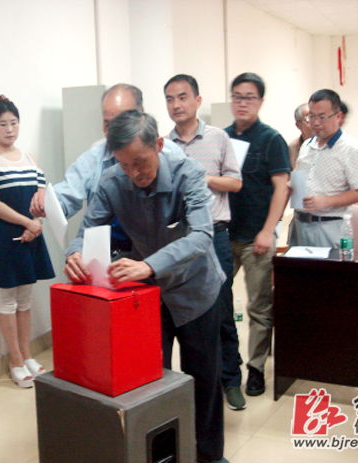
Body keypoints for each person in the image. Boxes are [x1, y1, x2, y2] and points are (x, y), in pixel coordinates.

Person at [64, 110, 226, 463]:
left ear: (159, 144)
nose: (134, 173)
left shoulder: (188, 174)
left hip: (196, 290)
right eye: (124, 165)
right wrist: (74, 253)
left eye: (140, 161)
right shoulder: (111, 183)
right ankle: (161, 455)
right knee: (152, 381)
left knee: (204, 377)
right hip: (149, 297)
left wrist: (148, 265)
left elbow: (202, 235)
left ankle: (210, 455)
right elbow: (87, 230)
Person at [164, 74, 245, 411]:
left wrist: (201, 177)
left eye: (183, 97)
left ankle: (231, 380)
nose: (176, 105)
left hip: (214, 237)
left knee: (221, 312)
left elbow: (235, 183)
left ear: (197, 100)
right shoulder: (162, 144)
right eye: (170, 99)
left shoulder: (218, 137)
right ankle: (184, 387)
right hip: (179, 241)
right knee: (184, 319)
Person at [29, 83, 185, 257]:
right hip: (112, 254)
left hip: (162, 255)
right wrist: (46, 202)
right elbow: (68, 192)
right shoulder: (94, 157)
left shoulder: (171, 153)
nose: (112, 132)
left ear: (139, 115)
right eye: (107, 124)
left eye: (120, 122)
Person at [0, 96, 55, 388]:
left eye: (14, 123)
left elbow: (41, 195)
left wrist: (35, 224)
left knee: (24, 299)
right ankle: (15, 360)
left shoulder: (29, 158)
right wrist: (28, 223)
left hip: (30, 235)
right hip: (3, 237)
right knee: (7, 301)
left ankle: (27, 354)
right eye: (2, 124)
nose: (9, 129)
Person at [224, 73, 290, 397]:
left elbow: (282, 188)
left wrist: (268, 230)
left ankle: (256, 369)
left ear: (260, 102)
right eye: (237, 96)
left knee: (259, 308)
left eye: (249, 97)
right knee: (219, 305)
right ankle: (228, 366)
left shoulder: (271, 139)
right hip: (224, 236)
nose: (242, 103)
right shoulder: (221, 137)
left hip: (257, 240)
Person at [289, 89, 358, 248]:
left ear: (338, 117)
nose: (315, 123)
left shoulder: (352, 149)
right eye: (311, 117)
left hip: (329, 226)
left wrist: (327, 201)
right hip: (299, 223)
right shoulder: (306, 146)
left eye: (322, 117)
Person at [288, 103, 313, 170]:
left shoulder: (327, 144)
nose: (315, 123)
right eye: (309, 119)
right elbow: (294, 173)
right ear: (298, 125)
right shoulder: (293, 147)